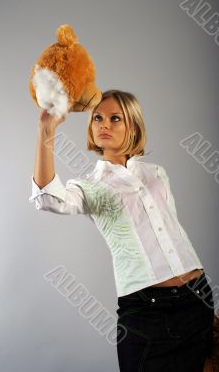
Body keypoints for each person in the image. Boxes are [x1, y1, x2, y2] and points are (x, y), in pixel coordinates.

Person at [29, 89, 215, 371]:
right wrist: (46, 128)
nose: (104, 124)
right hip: (145, 310)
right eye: (97, 118)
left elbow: (172, 232)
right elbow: (47, 199)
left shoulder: (157, 174)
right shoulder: (87, 186)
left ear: (133, 126)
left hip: (197, 298)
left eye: (115, 118)